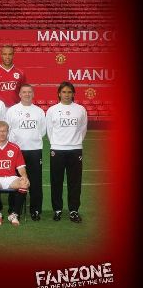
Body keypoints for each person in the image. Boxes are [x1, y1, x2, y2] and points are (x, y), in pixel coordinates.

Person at [46, 81, 88, 223]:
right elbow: (49, 130)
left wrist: (75, 142)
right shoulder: (52, 110)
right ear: (59, 94)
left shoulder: (81, 110)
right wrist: (56, 143)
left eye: (69, 92)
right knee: (56, 181)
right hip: (57, 150)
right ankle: (57, 210)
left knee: (74, 182)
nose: (67, 95)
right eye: (64, 92)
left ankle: (73, 210)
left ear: (73, 94)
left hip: (75, 150)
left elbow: (83, 129)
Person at [6, 83, 46, 221]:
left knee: (35, 182)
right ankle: (13, 209)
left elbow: (42, 131)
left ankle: (35, 210)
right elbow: (8, 130)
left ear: (33, 94)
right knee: (15, 180)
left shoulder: (39, 111)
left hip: (35, 150)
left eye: (29, 92)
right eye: (24, 92)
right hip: (16, 151)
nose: (27, 94)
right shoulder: (12, 110)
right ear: (19, 94)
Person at [0, 121, 30, 226]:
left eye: (4, 131)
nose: (2, 133)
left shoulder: (15, 147)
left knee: (24, 183)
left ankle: (14, 214)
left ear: (8, 132)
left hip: (11, 178)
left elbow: (21, 168)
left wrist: (24, 176)